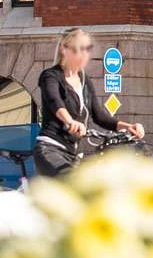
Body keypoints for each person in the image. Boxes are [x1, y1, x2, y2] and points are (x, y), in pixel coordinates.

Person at [33, 28, 144, 178]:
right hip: (50, 149)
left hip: (72, 154)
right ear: (64, 49)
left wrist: (128, 127)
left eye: (88, 49)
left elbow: (99, 116)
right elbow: (55, 101)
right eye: (81, 49)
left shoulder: (85, 81)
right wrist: (70, 121)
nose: (85, 54)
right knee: (73, 184)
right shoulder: (50, 76)